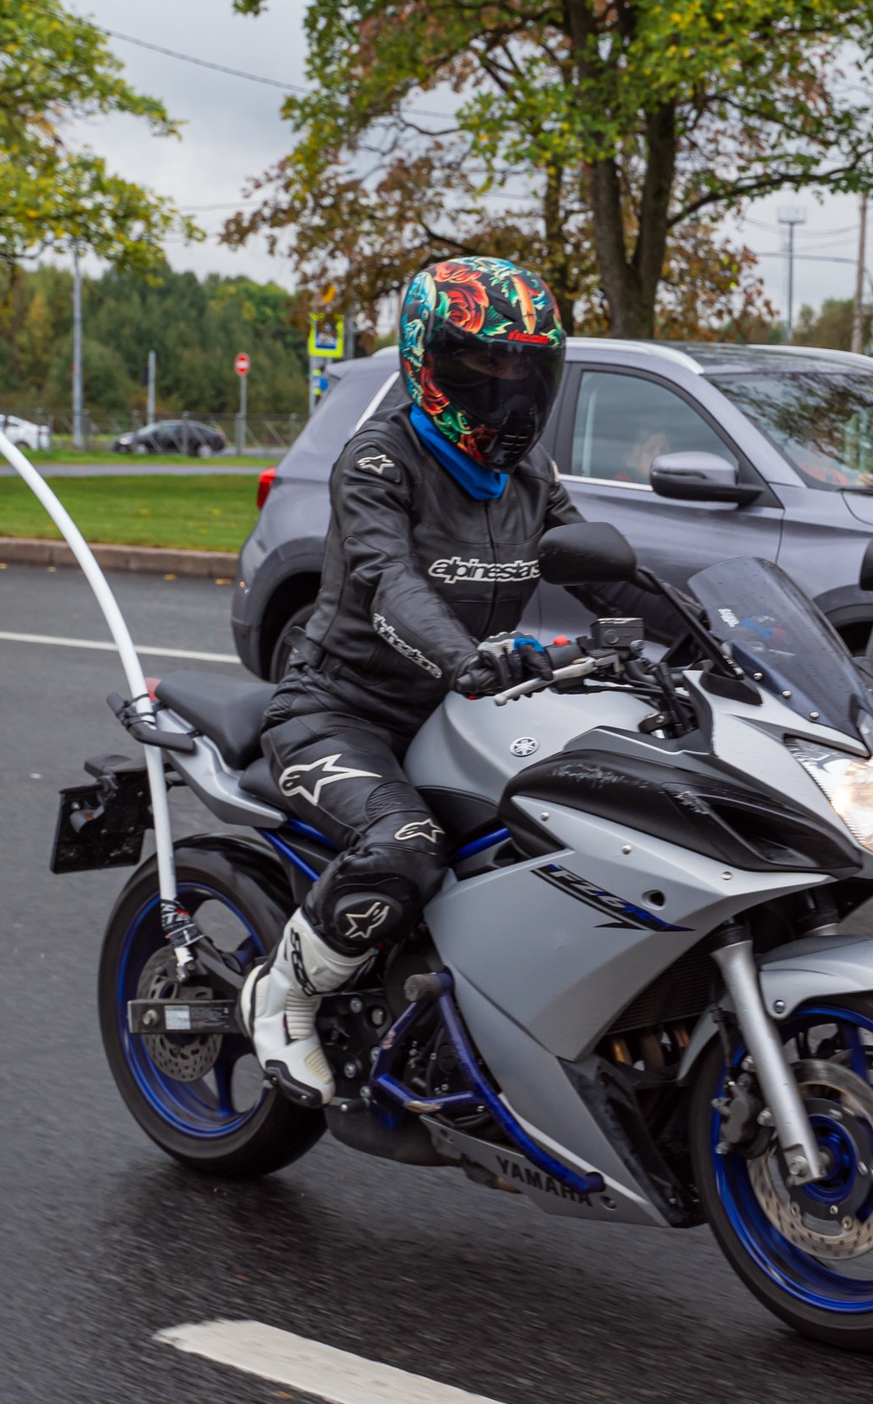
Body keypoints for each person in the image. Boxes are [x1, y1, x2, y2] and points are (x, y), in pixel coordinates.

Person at [245, 256, 677, 1105]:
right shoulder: (379, 461)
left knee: (585, 825)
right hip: (339, 711)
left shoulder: (529, 474)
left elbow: (601, 571)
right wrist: (466, 657)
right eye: (484, 361)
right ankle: (284, 991)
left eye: (526, 365)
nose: (509, 387)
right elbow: (386, 579)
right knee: (407, 849)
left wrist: (712, 637)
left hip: (466, 711)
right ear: (426, 360)